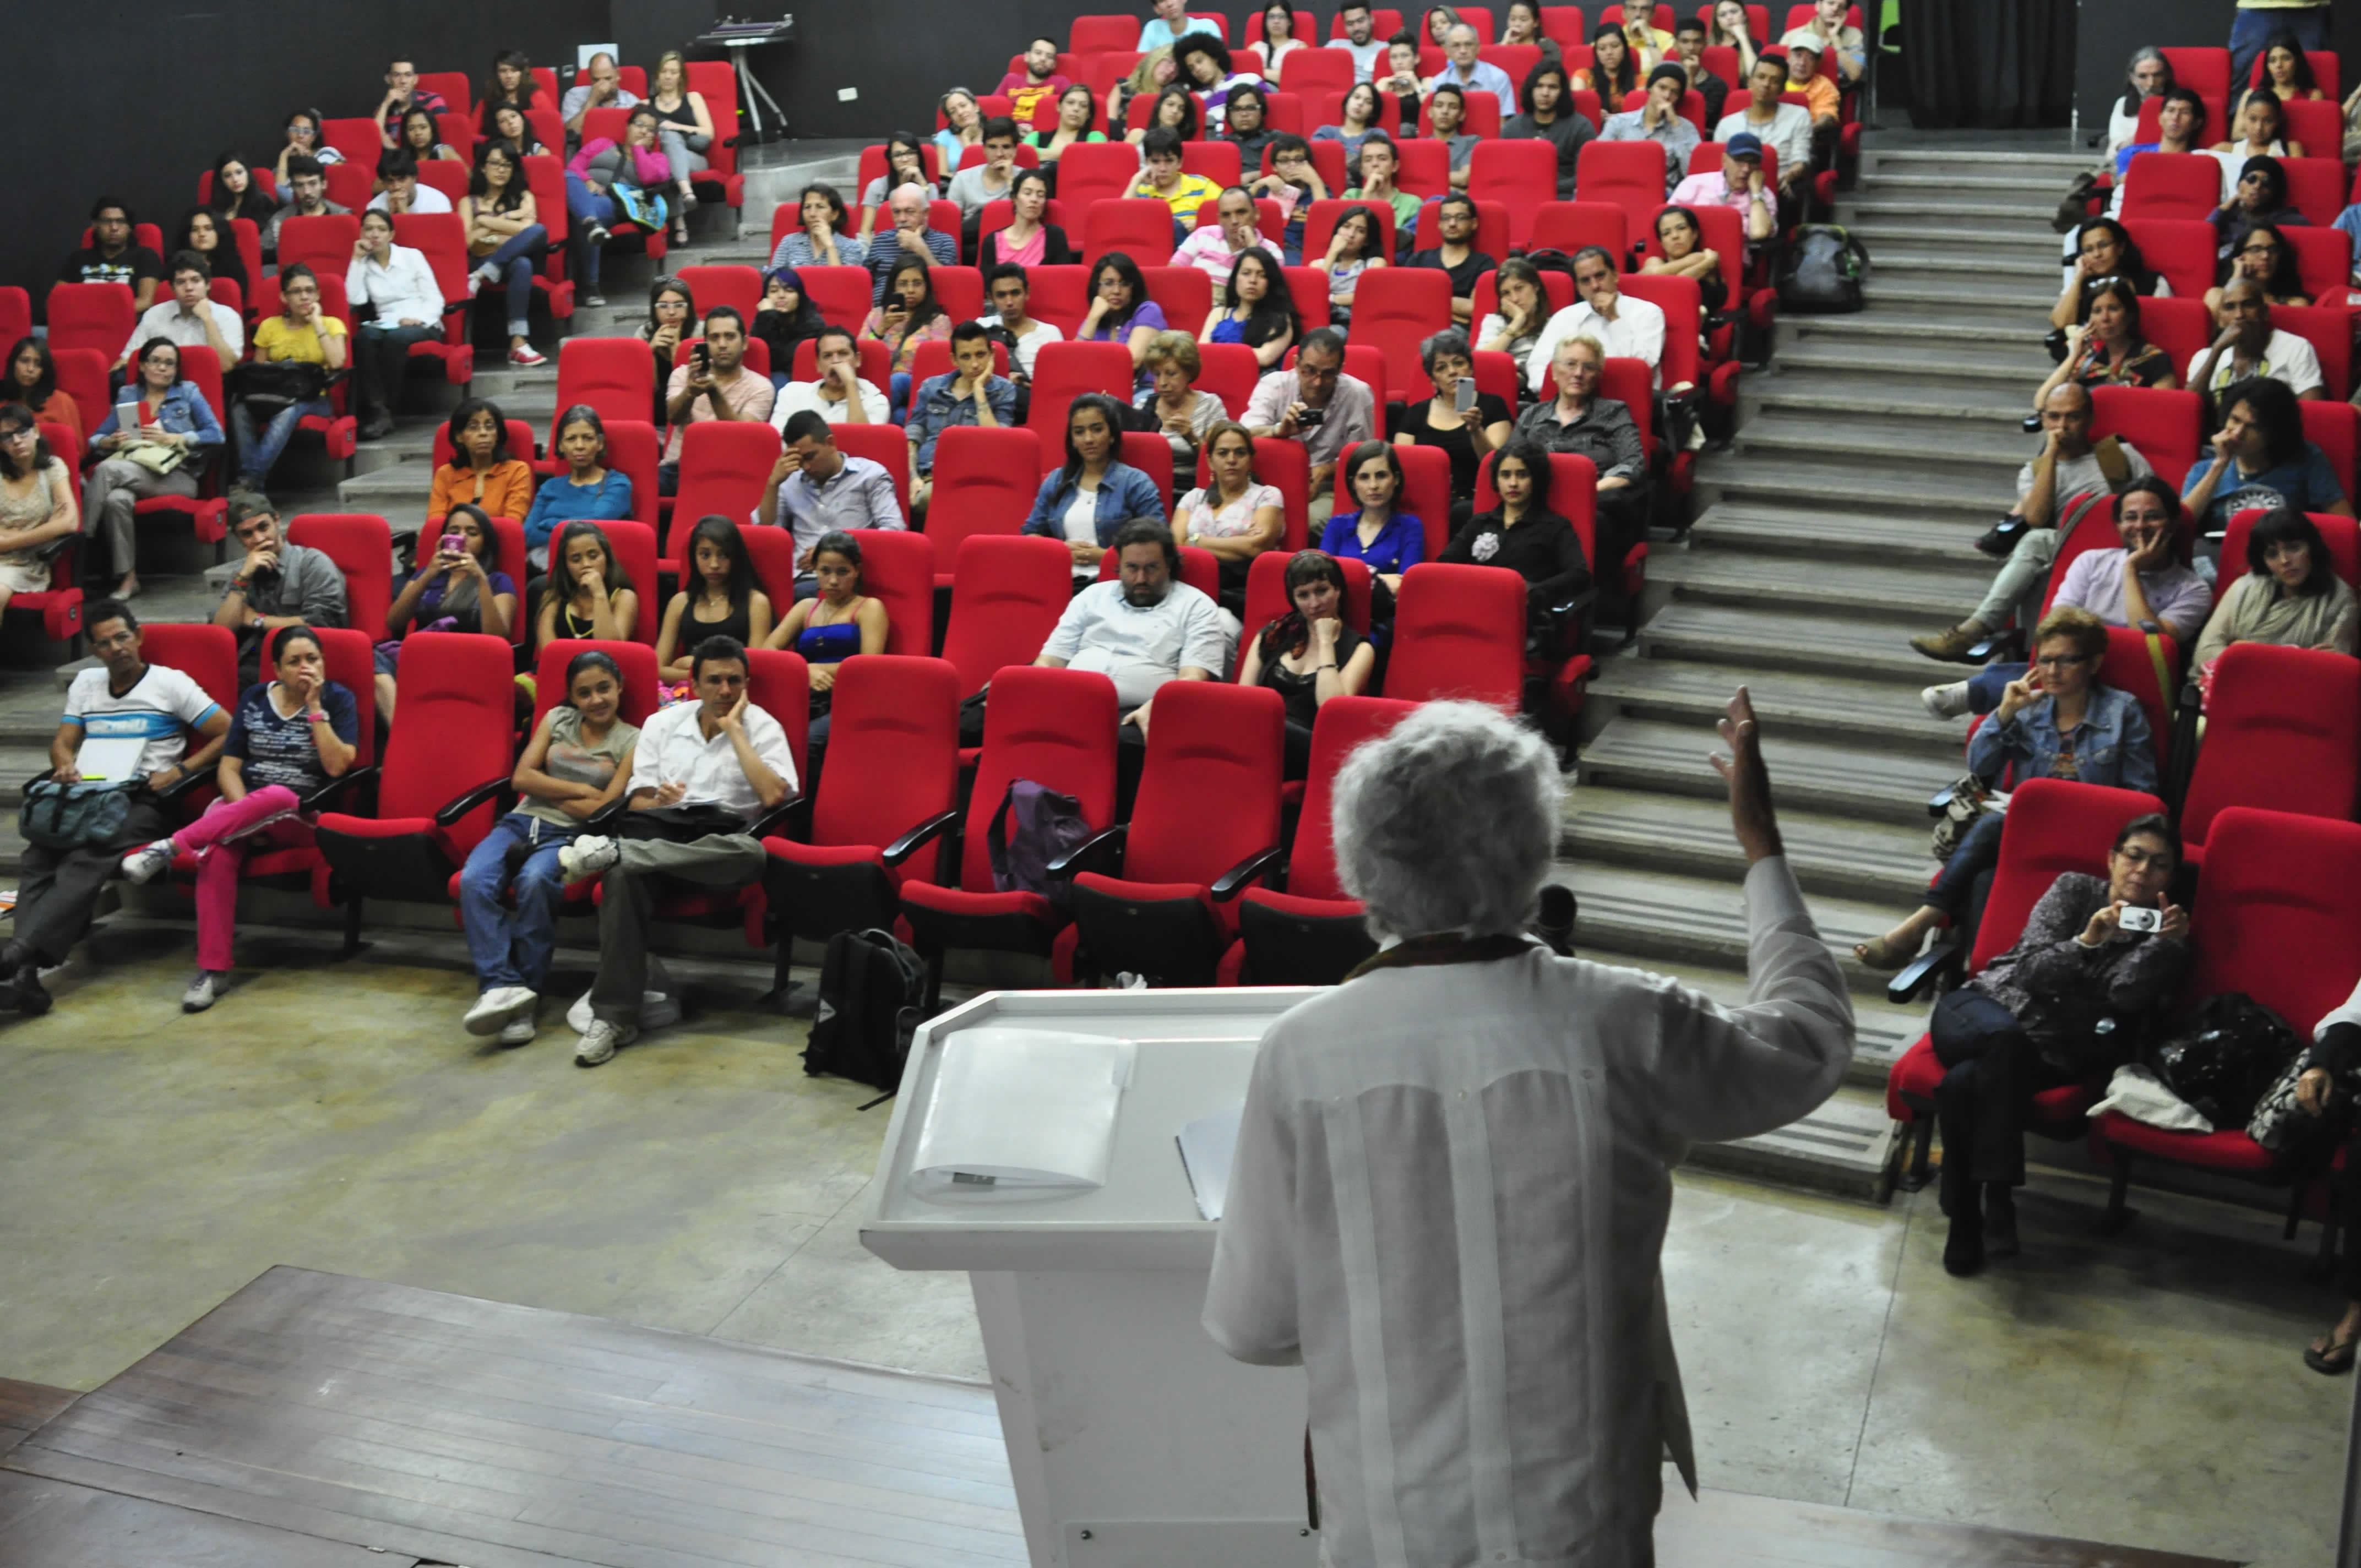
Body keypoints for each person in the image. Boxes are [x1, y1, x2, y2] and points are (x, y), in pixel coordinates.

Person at [1205, 688, 1849, 1565]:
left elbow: (1255, 1326)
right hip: (1582, 1516)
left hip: (1393, 1519)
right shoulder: (1623, 1022)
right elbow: (1809, 1044)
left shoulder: (1301, 1054)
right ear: (1535, 851)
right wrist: (1761, 848)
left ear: (1361, 859)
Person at [558, 635, 796, 1066]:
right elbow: (636, 803)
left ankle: (615, 853)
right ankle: (613, 1018)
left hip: (718, 849)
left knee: (752, 853)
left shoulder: (763, 727)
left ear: (747, 683)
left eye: (735, 681)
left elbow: (775, 796)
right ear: (695, 682)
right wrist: (660, 801)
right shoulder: (662, 724)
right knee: (621, 876)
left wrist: (735, 731)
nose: (725, 691)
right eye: (715, 681)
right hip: (663, 836)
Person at [118, 625, 361, 1012]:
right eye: (295, 662)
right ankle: (212, 971)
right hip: (239, 810)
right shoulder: (253, 698)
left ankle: (169, 846)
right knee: (217, 852)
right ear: (277, 669)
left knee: (281, 796)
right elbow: (228, 769)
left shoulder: (337, 700)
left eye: (313, 659)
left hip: (299, 818)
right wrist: (246, 813)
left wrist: (316, 709)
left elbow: (337, 767)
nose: (305, 668)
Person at [3, 601, 222, 1016]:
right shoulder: (86, 684)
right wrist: (64, 761)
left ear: (138, 637)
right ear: (95, 651)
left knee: (86, 856)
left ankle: (19, 954)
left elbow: (227, 733)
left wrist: (181, 770)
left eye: (123, 637)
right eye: (105, 643)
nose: (117, 648)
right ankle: (23, 975)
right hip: (89, 794)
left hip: (145, 801)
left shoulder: (170, 684)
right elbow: (63, 741)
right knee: (40, 854)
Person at [458, 647, 641, 1047]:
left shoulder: (632, 739)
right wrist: (579, 788)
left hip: (570, 835)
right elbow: (522, 778)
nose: (596, 700)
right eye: (585, 692)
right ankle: (502, 988)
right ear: (572, 697)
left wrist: (551, 788)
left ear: (620, 688)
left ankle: (526, 997)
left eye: (604, 689)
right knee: (473, 880)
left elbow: (605, 807)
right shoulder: (556, 719)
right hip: (519, 821)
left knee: (535, 881)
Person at [1919, 480, 2213, 721]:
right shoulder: (2091, 562)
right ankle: (1990, 690)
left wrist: (2131, 571)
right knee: (2058, 657)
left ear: (2172, 524)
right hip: (2068, 669)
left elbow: (2150, 649)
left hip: (2136, 687)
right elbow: (2056, 626)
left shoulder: (2193, 589)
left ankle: (1981, 689)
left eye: (2152, 516)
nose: (2141, 526)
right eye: (2130, 518)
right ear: (2118, 524)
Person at [1912, 383, 2155, 660]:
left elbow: (2158, 505)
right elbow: (2037, 518)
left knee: (2035, 542)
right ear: (2043, 420)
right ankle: (2026, 658)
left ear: (2089, 420)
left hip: (2125, 546)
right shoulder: (2033, 472)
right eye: (2054, 417)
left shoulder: (2120, 455)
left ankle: (1974, 631)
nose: (2062, 426)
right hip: (2069, 551)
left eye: (2073, 417)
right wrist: (2050, 455)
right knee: (2036, 558)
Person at [1037, 520, 1231, 739]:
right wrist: (1038, 689)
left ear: (1169, 565)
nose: (1141, 579)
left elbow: (1194, 678)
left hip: (1142, 712)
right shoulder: (1092, 596)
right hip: (1071, 700)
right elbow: (1050, 660)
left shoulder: (1197, 605)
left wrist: (1158, 706)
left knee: (1112, 739)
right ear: (1119, 566)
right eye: (1132, 568)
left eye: (1151, 568)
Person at [85, 340, 225, 602]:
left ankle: (81, 547)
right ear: (142, 366)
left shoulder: (187, 392)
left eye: (169, 363)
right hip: (135, 469)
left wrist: (176, 438)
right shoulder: (128, 395)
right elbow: (95, 439)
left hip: (178, 475)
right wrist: (110, 441)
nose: (162, 368)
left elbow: (215, 435)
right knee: (117, 500)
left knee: (106, 471)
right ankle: (128, 579)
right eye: (156, 361)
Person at [1514, 336, 1647, 583]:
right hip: (1532, 499)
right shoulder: (1532, 415)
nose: (1578, 373)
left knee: (1600, 520)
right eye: (1570, 364)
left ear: (1597, 376)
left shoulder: (1614, 413)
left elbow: (1633, 464)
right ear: (1554, 372)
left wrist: (1589, 490)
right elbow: (1508, 462)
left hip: (1593, 500)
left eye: (1588, 367)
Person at [2189, 507, 2358, 697]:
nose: (2285, 560)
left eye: (2294, 548)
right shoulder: (2245, 587)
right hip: (2230, 693)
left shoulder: (2341, 600)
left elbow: (2329, 676)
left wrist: (2243, 650)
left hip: (2296, 701)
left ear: (2312, 547)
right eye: (2272, 554)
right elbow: (2204, 654)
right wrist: (2295, 658)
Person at [1238, 549, 1377, 774]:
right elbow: (1243, 701)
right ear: (1293, 599)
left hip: (1314, 748)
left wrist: (1325, 641)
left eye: (1322, 591)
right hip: (1259, 741)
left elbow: (1331, 708)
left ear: (1338, 590)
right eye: (1303, 595)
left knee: (1270, 726)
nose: (1314, 604)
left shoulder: (1360, 649)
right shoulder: (1273, 636)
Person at [377, 503, 516, 717]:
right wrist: (428, 574)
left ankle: (406, 726)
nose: (462, 538)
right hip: (423, 659)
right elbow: (394, 622)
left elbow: (499, 637)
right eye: (454, 532)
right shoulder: (427, 574)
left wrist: (480, 579)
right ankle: (401, 724)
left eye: (472, 533)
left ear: (485, 541)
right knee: (370, 661)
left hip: (469, 662)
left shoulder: (497, 581)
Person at [1440, 436, 1591, 622]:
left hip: (1522, 618)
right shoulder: (1479, 523)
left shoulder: (1556, 527)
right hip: (1472, 610)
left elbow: (1579, 574)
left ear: (1536, 479)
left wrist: (1535, 591)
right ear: (1496, 480)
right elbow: (1445, 564)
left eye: (1522, 475)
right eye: (1505, 475)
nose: (1513, 483)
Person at [753, 412, 905, 592]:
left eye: (810, 457)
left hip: (850, 580)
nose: (806, 467)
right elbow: (766, 530)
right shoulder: (789, 482)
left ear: (830, 443)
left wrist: (832, 552)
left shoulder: (870, 475)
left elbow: (895, 529)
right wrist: (773, 484)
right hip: (802, 580)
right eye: (800, 461)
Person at [1022, 394, 1170, 579]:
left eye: (1097, 430)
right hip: (1060, 581)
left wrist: (1106, 557)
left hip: (1118, 583)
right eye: (1079, 432)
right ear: (1073, 440)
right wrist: (1060, 550)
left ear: (1112, 435)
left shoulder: (1136, 483)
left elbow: (1160, 544)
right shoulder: (1056, 481)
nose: (1088, 439)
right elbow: (1030, 534)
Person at [1246, 328, 1378, 535]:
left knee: (1306, 522)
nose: (1317, 382)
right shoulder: (1273, 385)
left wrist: (1325, 470)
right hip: (1272, 482)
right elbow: (1245, 433)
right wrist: (1280, 430)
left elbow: (1362, 456)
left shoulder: (1358, 394)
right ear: (1296, 364)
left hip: (1329, 486)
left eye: (1328, 374)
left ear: (1340, 369)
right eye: (1310, 370)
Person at [2182, 375, 2353, 533]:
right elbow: (2180, 526)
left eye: (2253, 427)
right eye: (2235, 420)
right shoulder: (2205, 469)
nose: (2237, 433)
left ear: (2274, 433)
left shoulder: (2306, 458)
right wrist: (2219, 465)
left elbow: (2344, 526)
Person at [762, 531, 889, 742]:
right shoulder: (806, 608)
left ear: (856, 571)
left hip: (850, 697)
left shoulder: (869, 608)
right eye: (825, 571)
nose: (833, 581)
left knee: (808, 739)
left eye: (842, 572)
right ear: (816, 571)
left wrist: (810, 669)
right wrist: (805, 671)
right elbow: (767, 652)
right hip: (804, 694)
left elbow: (868, 666)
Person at [211, 496, 348, 684]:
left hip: (306, 661)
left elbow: (321, 626)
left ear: (277, 521)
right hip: (256, 658)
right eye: (247, 534)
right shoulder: (243, 574)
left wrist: (257, 620)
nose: (258, 539)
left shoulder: (312, 563)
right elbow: (220, 633)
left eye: (263, 527)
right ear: (239, 540)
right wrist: (242, 579)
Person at [344, 208, 445, 440]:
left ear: (391, 234)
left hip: (423, 322)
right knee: (363, 338)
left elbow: (435, 297)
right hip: (387, 323)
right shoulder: (365, 264)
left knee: (395, 339)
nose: (374, 235)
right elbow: (355, 299)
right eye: (369, 229)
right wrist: (357, 260)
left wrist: (420, 319)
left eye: (381, 229)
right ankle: (378, 410)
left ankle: (384, 409)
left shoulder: (412, 256)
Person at [1395, 328, 1512, 519]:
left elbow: (1495, 466)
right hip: (1426, 499)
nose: (1452, 372)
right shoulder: (1415, 413)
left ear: (1471, 368)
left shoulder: (1493, 406)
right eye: (1441, 368)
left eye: (1459, 363)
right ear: (1433, 380)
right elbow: (1402, 464)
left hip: (1476, 502)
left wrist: (1476, 431)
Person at [566, 107, 671, 308]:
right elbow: (574, 167)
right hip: (583, 193)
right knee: (567, 177)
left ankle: (591, 226)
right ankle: (591, 286)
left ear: (654, 137)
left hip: (615, 205)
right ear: (627, 127)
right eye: (639, 124)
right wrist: (589, 183)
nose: (643, 131)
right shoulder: (601, 144)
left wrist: (639, 150)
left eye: (650, 130)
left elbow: (650, 178)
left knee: (587, 213)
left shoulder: (658, 159)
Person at [907, 321, 1018, 511]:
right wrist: (912, 478)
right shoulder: (931, 388)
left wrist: (979, 390)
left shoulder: (1004, 391)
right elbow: (912, 440)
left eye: (981, 355)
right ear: (954, 360)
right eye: (966, 357)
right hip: (927, 477)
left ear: (992, 354)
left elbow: (998, 444)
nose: (975, 364)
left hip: (971, 479)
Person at [1527, 245, 1669, 392]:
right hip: (1569, 402)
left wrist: (1613, 318)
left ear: (1615, 275)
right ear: (1578, 288)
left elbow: (1640, 369)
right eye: (1585, 281)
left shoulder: (1648, 313)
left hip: (1627, 400)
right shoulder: (1565, 317)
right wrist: (1569, 389)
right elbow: (1537, 368)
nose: (1595, 286)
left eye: (1600, 276)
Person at [660, 307, 775, 488]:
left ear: (744, 343)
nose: (722, 344)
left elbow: (744, 438)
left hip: (730, 470)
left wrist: (714, 392)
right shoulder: (683, 375)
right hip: (677, 468)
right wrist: (689, 392)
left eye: (730, 337)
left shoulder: (761, 387)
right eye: (714, 338)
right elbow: (673, 417)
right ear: (705, 344)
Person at [461, 138, 550, 367]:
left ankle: (482, 277)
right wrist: (507, 237)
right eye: (495, 163)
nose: (501, 170)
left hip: (495, 266)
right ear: (482, 167)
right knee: (520, 260)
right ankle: (518, 344)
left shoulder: (524, 198)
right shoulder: (468, 202)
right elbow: (470, 243)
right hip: (480, 260)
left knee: (534, 240)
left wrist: (486, 222)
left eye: (507, 165)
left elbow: (531, 233)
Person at [1175, 421, 1285, 606]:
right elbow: (1177, 547)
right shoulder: (1193, 499)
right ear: (1210, 461)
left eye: (1240, 453)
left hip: (1240, 594)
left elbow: (1255, 547)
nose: (1232, 460)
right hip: (1189, 590)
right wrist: (1237, 544)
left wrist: (1195, 540)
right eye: (1223, 453)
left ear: (1250, 460)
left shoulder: (1267, 495)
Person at [2031, 279, 2176, 416]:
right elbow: (2042, 402)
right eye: (2097, 311)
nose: (2105, 318)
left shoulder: (2155, 359)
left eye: (2113, 309)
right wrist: (2074, 355)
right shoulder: (2085, 362)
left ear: (2130, 315)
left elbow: (2164, 413)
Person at [656, 515, 774, 683]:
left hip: (735, 691)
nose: (714, 564)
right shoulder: (680, 602)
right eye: (705, 555)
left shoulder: (756, 602)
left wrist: (698, 666)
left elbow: (754, 667)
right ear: (694, 557)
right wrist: (697, 677)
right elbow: (657, 670)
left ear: (736, 558)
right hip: (687, 693)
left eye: (723, 555)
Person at [521, 406, 634, 572]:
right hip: (547, 567)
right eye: (571, 439)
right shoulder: (550, 487)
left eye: (588, 438)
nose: (579, 446)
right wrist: (568, 526)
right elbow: (529, 534)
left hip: (592, 569)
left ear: (600, 444)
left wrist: (549, 524)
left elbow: (590, 527)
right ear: (561, 446)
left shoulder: (617, 484)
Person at [0, 406, 84, 618]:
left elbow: (68, 524)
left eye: (22, 432)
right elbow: (57, 524)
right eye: (7, 437)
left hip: (26, 563)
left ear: (36, 431)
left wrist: (9, 541)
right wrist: (46, 529)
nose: (17, 441)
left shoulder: (53, 468)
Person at [1322, 439, 1427, 609]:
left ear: (1396, 479)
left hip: (1382, 620)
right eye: (1364, 477)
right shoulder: (1337, 526)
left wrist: (1345, 578)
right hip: (1338, 613)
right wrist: (1379, 578)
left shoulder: (1411, 527)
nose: (1373, 486)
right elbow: (1321, 582)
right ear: (1353, 484)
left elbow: (1404, 587)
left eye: (1381, 476)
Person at [2185, 277, 2325, 402]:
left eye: (2248, 305)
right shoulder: (2204, 358)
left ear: (2265, 312)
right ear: (2221, 320)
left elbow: (2312, 411)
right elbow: (2188, 411)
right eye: (2230, 307)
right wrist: (2217, 351)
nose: (2239, 315)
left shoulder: (2296, 348)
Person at [117, 252, 242, 376]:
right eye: (181, 282)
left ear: (208, 285)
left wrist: (208, 320)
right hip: (157, 386)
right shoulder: (155, 314)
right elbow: (129, 359)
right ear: (172, 288)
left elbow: (225, 367)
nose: (189, 288)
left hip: (206, 387)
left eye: (195, 281)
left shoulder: (228, 317)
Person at [1714, 56, 1813, 212]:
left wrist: (1786, 177)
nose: (1766, 85)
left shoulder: (1799, 115)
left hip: (1779, 186)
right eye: (1761, 77)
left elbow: (1800, 161)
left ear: (1782, 88)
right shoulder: (1727, 124)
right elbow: (1720, 167)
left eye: (1774, 81)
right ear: (1750, 82)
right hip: (1735, 188)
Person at [2049, 217, 2167, 345]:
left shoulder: (2153, 283)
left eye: (2104, 245)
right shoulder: (2081, 285)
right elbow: (2061, 323)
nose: (2097, 254)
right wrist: (2078, 278)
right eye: (2089, 250)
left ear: (2121, 247)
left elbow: (2163, 327)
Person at [861, 255, 952, 417]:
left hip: (920, 387)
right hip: (877, 386)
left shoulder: (938, 321)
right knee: (900, 416)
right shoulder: (877, 315)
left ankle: (866, 423)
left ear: (926, 287)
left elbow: (940, 367)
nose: (910, 290)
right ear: (893, 287)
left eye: (917, 283)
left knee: (899, 380)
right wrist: (882, 328)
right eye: (903, 284)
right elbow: (860, 355)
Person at [1133, 330, 1228, 482]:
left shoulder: (1211, 405)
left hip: (1194, 491)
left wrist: (1191, 437)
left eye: (1171, 374)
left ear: (1189, 373)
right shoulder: (1144, 407)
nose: (1163, 383)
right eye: (1157, 375)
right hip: (1150, 489)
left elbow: (1223, 461)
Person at [535, 519, 640, 649]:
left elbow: (610, 649)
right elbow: (549, 653)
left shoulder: (624, 597)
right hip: (558, 668)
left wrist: (599, 593)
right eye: (576, 559)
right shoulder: (552, 597)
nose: (586, 565)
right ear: (566, 565)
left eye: (593, 556)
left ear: (606, 557)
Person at [429, 399, 534, 523]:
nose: (483, 433)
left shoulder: (517, 471)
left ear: (498, 434)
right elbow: (435, 524)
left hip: (499, 542)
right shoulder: (445, 474)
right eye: (473, 427)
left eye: (490, 427)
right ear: (459, 437)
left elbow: (512, 524)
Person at [646, 50, 714, 243]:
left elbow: (709, 133)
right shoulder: (646, 105)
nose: (668, 76)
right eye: (664, 71)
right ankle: (686, 197)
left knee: (670, 140)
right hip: (665, 160)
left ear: (681, 77)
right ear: (657, 75)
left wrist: (675, 127)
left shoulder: (693, 98)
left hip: (696, 159)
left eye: (674, 72)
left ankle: (680, 222)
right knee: (667, 161)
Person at [1603, 63, 1703, 193]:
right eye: (1662, 88)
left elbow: (1693, 174)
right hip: (1622, 188)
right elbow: (1600, 162)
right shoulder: (1618, 123)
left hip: (1664, 194)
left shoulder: (1685, 128)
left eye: (1675, 92)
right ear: (1650, 88)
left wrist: (1675, 124)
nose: (1667, 95)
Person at [1080, 251, 1171, 391]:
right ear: (1097, 287)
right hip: (1098, 391)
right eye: (1109, 283)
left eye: (1124, 284)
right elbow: (1074, 363)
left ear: (1133, 288)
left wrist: (1091, 369)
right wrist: (1093, 318)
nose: (1117, 291)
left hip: (1142, 390)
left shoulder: (1148, 311)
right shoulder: (1095, 319)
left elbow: (1132, 361)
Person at [1504, 61, 1593, 200]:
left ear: (1562, 92)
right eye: (1539, 86)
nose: (1545, 93)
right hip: (1520, 196)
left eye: (1552, 87)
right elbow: (1504, 174)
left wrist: (1546, 186)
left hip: (1564, 197)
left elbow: (1586, 177)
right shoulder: (1512, 128)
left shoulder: (1581, 127)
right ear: (1531, 90)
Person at [769, 325, 890, 427]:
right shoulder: (792, 393)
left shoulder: (876, 401)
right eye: (827, 356)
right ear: (818, 365)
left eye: (843, 354)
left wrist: (850, 384)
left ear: (857, 360)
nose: (836, 361)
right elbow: (778, 442)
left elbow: (863, 444)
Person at [1200, 248, 1298, 369]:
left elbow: (1265, 357)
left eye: (1262, 275)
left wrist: (1216, 354)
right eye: (1246, 273)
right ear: (1236, 278)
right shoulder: (1218, 314)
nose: (1253, 280)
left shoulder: (1281, 319)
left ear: (1270, 283)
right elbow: (1201, 354)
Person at [1406, 193, 1495, 327]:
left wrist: (1425, 298)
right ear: (1439, 224)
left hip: (1455, 335)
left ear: (1474, 223)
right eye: (1446, 218)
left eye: (1460, 218)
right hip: (1416, 326)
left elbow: (1476, 308)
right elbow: (1405, 301)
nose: (1452, 224)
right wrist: (1456, 310)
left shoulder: (1484, 263)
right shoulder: (1418, 259)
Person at [61, 198, 165, 312]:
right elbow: (58, 299)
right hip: (81, 322)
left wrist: (103, 314)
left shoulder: (145, 256)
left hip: (127, 324)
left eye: (120, 221)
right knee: (40, 330)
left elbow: (145, 302)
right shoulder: (77, 259)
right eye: (107, 221)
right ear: (95, 226)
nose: (114, 228)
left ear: (130, 227)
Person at [864, 183, 957, 306]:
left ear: (926, 213)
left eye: (910, 211)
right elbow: (863, 283)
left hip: (925, 315)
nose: (902, 219)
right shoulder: (881, 240)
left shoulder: (944, 242)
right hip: (882, 313)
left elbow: (947, 288)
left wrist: (921, 250)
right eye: (897, 212)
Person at [2211, 156, 2310, 268]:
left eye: (2266, 182)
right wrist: (2227, 205)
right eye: (2251, 179)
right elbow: (2202, 239)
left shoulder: (2290, 221)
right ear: (2240, 185)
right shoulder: (2227, 217)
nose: (2257, 186)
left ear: (2274, 191)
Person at [1249, 134, 1330, 264]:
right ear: (1274, 167)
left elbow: (1326, 226)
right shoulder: (1264, 189)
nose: (1292, 165)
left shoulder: (1319, 189)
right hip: (1264, 247)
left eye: (1299, 160)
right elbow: (1240, 212)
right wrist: (1257, 184)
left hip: (1298, 250)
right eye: (1284, 161)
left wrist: (1315, 182)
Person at [1172, 185, 1279, 283]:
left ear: (1256, 214)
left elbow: (1265, 290)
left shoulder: (1272, 251)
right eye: (1226, 215)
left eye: (1241, 212)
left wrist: (1252, 245)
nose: (1234, 221)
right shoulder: (1201, 235)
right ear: (1219, 220)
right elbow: (1172, 274)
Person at [981, 264, 1062, 389]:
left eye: (1015, 293)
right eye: (1001, 295)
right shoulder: (981, 327)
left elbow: (1057, 385)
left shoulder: (1050, 334)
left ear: (1027, 293)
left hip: (1030, 400)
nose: (1009, 302)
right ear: (991, 298)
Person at [1131, 127, 1223, 237]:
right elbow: (1121, 222)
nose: (1163, 168)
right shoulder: (1141, 191)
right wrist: (1136, 180)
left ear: (1180, 162)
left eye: (1169, 161)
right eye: (1156, 162)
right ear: (1147, 163)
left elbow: (1230, 212)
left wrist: (1201, 224)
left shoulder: (1201, 185)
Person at [2204, 221, 2310, 314]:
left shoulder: (2295, 304)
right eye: (2255, 249)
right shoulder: (2216, 295)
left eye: (2272, 249)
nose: (2266, 256)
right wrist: (2237, 279)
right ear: (2241, 256)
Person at [1341, 134, 1419, 257]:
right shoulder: (1350, 196)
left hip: (1392, 260)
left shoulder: (1412, 203)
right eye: (1368, 160)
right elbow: (1347, 236)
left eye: (1382, 159)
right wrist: (1367, 194)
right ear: (1361, 169)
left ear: (1395, 166)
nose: (1375, 164)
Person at [1644, 205, 1732, 314]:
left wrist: (1706, 263)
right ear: (1661, 243)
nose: (1675, 236)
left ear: (1695, 234)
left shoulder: (1702, 258)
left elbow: (1679, 286)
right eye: (1666, 233)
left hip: (1699, 325)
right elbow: (1643, 283)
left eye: (1681, 228)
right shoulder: (1708, 260)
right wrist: (1708, 263)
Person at [2212, 95, 2306, 195]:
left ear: (2277, 121)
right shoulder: (2224, 150)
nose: (2259, 128)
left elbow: (2299, 185)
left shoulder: (2291, 149)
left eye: (2268, 121)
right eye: (2253, 119)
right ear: (2244, 117)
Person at [981, 170, 1074, 269]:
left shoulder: (1055, 236)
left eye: (1041, 195)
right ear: (1014, 198)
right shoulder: (993, 241)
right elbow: (986, 283)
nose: (1034, 199)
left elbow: (1062, 280)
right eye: (1027, 193)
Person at [1475, 254, 1552, 372]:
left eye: (1519, 288)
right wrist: (1517, 323)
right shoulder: (1495, 322)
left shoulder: (1554, 324)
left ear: (1536, 287)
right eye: (1506, 293)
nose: (1515, 299)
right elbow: (1481, 361)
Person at [750, 266, 826, 384]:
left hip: (802, 381)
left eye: (789, 290)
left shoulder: (814, 325)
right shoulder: (763, 318)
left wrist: (768, 316)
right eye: (774, 291)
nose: (781, 295)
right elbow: (757, 361)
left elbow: (778, 361)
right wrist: (767, 318)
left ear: (800, 297)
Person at [4, 338, 83, 451]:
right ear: (13, 364)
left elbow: (77, 452)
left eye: (38, 364)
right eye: (25, 361)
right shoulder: (3, 401)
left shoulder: (62, 401)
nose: (30, 369)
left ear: (45, 370)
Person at [1174, 36, 1264, 134]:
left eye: (1200, 61)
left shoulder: (1250, 80)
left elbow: (1266, 115)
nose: (1197, 69)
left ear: (1214, 57)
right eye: (1191, 68)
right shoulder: (1196, 98)